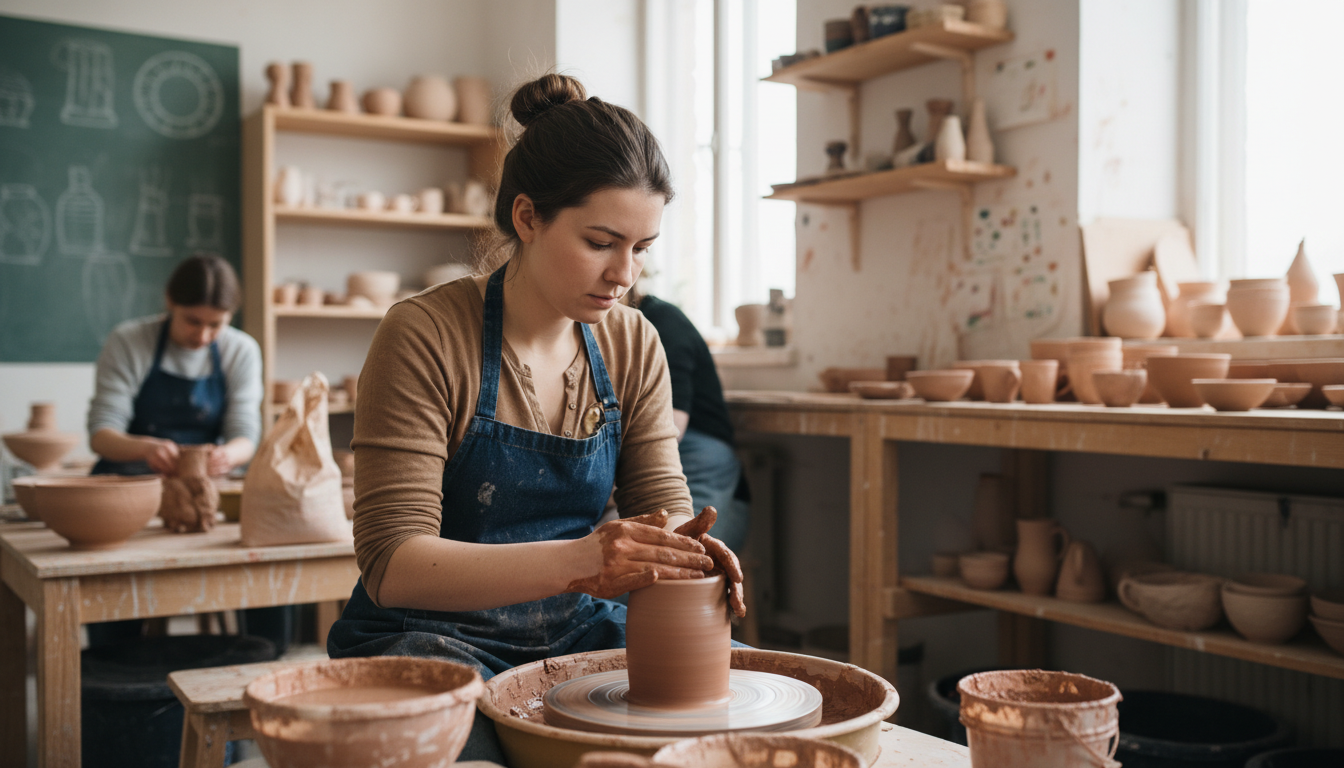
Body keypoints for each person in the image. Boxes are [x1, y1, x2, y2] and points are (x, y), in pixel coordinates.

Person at [327, 74, 745, 760]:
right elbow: (391, 563)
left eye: (641, 249)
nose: (624, 275)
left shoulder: (633, 340)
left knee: (736, 719)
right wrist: (584, 561)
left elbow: (661, 506)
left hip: (571, 629)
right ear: (527, 217)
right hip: (428, 634)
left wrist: (685, 552)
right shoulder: (426, 333)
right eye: (602, 241)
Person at [86, 254, 289, 651]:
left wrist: (228, 455)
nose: (203, 336)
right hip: (133, 486)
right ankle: (117, 672)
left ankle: (262, 665)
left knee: (270, 561)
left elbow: (247, 434)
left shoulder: (240, 350)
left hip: (206, 489)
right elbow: (102, 433)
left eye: (216, 324)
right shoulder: (130, 340)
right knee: (109, 582)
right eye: (192, 321)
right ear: (169, 303)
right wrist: (144, 447)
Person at [630, 289, 750, 556]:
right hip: (631, 471)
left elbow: (670, 429)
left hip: (697, 463)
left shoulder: (662, 321)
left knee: (665, 564)